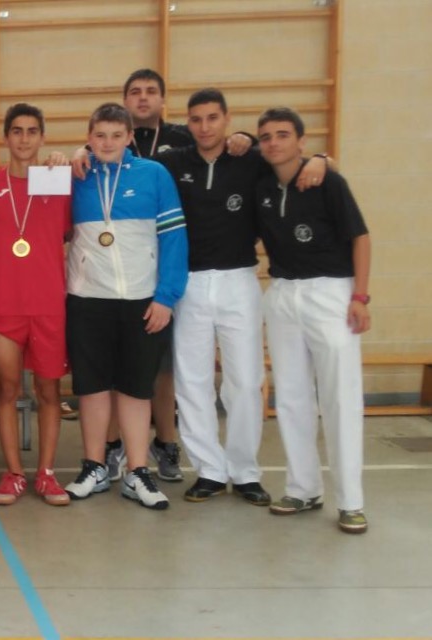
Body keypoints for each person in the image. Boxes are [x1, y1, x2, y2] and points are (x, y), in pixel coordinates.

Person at [155, 89, 306, 505]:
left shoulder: (251, 159)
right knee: (193, 381)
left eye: (212, 118)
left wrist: (320, 161)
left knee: (245, 380)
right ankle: (208, 470)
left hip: (239, 280)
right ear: (188, 123)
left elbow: (294, 161)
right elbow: (125, 162)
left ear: (226, 119)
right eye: (196, 119)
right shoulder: (172, 163)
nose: (204, 127)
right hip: (189, 283)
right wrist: (80, 153)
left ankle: (244, 471)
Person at [64, 103, 188, 510]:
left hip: (141, 299)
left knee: (136, 389)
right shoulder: (76, 175)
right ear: (89, 136)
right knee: (93, 388)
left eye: (117, 135)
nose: (108, 143)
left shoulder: (154, 174)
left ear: (130, 137)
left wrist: (166, 297)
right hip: (88, 298)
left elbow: (174, 238)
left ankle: (137, 472)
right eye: (100, 135)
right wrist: (61, 160)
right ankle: (95, 467)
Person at [254, 107, 371, 534]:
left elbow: (361, 238)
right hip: (283, 294)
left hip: (331, 293)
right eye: (266, 136)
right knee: (290, 397)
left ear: (302, 141)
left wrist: (359, 297)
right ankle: (303, 488)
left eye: (283, 134)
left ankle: (351, 501)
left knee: (340, 396)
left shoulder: (329, 182)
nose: (273, 143)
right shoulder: (261, 185)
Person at [0, 104, 73, 507]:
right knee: (7, 389)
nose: (25, 138)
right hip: (3, 305)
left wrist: (71, 159)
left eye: (33, 131)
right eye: (17, 131)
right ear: (6, 137)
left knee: (49, 391)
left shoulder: (58, 181)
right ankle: (14, 473)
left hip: (48, 304)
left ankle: (46, 474)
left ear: (43, 137)